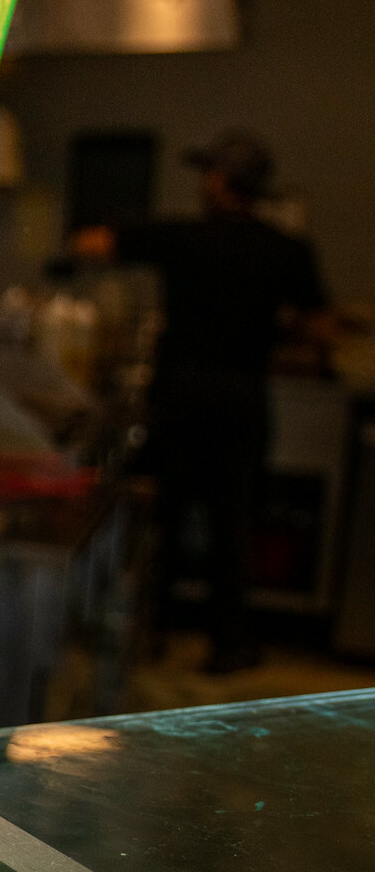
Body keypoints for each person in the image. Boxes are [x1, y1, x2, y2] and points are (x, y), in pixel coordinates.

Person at [72, 128, 331, 671]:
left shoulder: (185, 237)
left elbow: (91, 244)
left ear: (219, 182)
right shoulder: (285, 249)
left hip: (185, 392)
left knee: (164, 513)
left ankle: (151, 634)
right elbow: (320, 326)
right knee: (233, 522)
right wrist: (273, 331)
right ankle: (230, 644)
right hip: (243, 394)